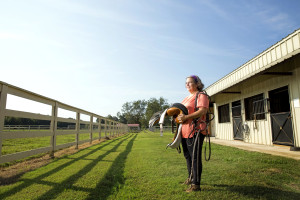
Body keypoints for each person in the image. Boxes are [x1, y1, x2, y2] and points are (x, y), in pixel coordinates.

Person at [176, 75, 209, 192]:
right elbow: (180, 112)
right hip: (185, 131)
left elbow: (202, 111)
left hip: (196, 130)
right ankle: (190, 178)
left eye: (190, 82)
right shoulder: (186, 98)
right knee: (188, 156)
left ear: (197, 83)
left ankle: (196, 184)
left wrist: (186, 117)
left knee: (195, 157)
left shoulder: (201, 95)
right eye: (186, 83)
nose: (187, 85)